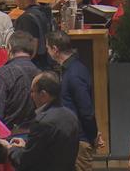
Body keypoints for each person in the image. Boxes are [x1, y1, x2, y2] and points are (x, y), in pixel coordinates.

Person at [46, 31, 103, 171]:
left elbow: (86, 111)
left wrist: (94, 136)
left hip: (79, 141)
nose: (47, 52)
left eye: (47, 48)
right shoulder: (72, 70)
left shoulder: (74, 74)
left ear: (55, 49)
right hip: (73, 139)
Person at [5, 71, 80, 171]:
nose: (31, 95)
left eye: (32, 91)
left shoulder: (42, 122)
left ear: (43, 94)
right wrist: (26, 145)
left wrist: (10, 148)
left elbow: (24, 161)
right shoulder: (71, 116)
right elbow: (51, 150)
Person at [0, 31, 41, 132]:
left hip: (9, 138)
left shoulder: (3, 73)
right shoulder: (40, 74)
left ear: (10, 48)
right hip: (33, 136)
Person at [12, 0, 54, 70]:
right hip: (48, 66)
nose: (14, 1)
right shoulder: (46, 10)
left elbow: (31, 51)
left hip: (35, 69)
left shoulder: (27, 19)